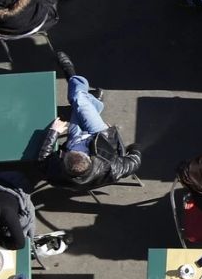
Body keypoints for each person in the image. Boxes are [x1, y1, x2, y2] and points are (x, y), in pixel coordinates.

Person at [38, 52, 142, 189]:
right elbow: (135, 162)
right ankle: (70, 71)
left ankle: (94, 101)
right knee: (78, 99)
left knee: (79, 105)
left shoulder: (57, 173)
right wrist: (134, 148)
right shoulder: (112, 169)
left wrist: (54, 132)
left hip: (75, 139)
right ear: (89, 158)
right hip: (99, 135)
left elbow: (43, 159)